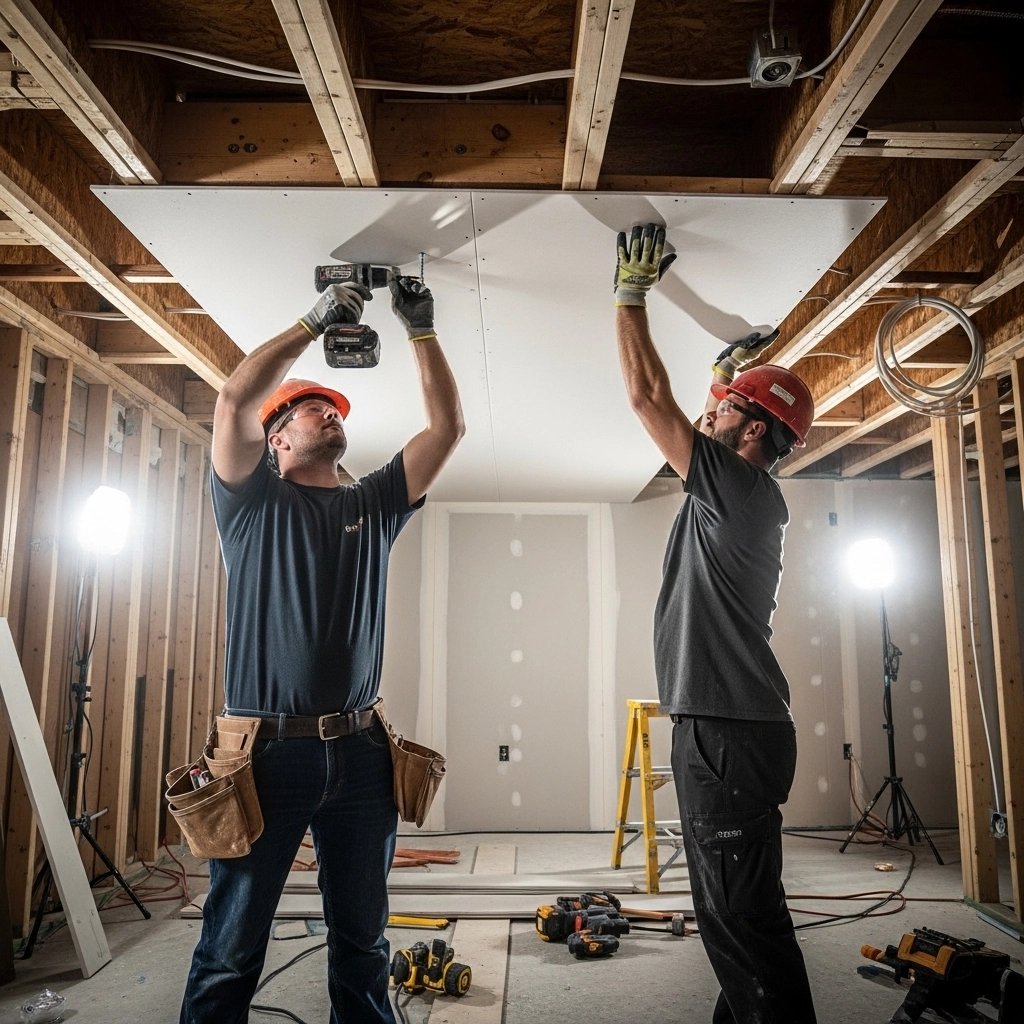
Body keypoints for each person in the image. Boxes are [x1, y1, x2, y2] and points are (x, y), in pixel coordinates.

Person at [180, 272, 464, 1024]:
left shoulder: (372, 506)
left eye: (334, 410)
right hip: (266, 758)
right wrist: (313, 319)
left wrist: (421, 330)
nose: (329, 416)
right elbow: (234, 400)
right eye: (311, 410)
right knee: (233, 946)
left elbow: (446, 432)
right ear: (277, 439)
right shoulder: (250, 503)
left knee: (363, 943)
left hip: (365, 753)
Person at [613, 223, 817, 1024]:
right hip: (733, 729)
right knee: (745, 922)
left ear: (754, 431)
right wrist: (730, 375)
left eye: (725, 409)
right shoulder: (738, 492)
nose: (709, 416)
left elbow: (648, 402)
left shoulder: (738, 490)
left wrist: (631, 294)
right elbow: (697, 420)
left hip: (725, 735)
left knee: (741, 928)